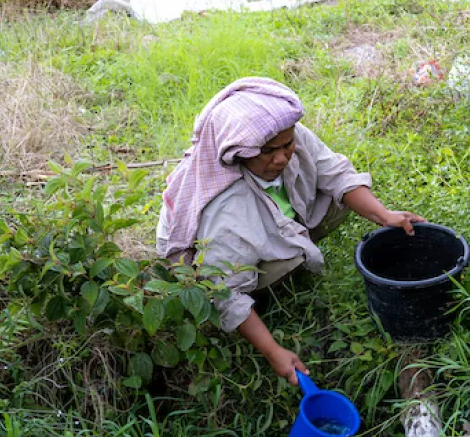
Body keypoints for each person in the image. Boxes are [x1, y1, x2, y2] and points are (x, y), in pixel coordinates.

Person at [156, 77, 422, 382]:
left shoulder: (285, 139)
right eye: (268, 151)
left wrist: (383, 215)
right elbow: (224, 293)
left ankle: (290, 239)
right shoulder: (228, 212)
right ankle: (271, 285)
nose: (281, 157)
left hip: (263, 221)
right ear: (240, 151)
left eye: (287, 145)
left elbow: (334, 173)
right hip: (211, 260)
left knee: (341, 199)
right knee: (290, 259)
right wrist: (273, 351)